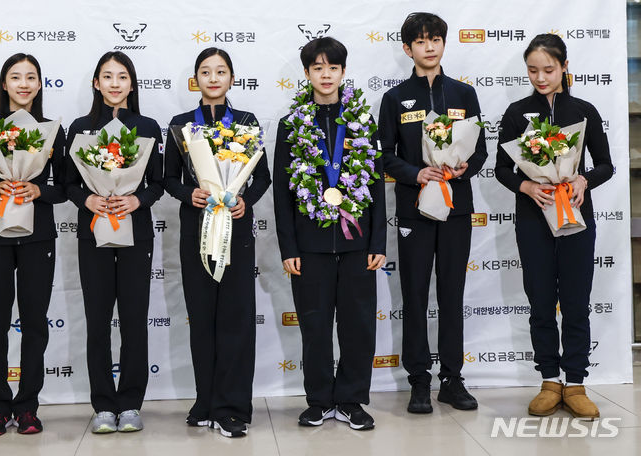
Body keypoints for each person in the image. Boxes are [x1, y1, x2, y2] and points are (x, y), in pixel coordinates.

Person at [495, 33, 613, 419]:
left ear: (564, 67)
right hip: (533, 220)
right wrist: (527, 185)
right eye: (532, 70)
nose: (540, 77)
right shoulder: (516, 112)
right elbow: (501, 169)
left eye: (548, 69)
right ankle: (549, 380)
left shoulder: (584, 110)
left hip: (577, 219)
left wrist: (583, 180)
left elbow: (605, 165)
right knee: (541, 303)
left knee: (577, 303)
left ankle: (576, 382)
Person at [273, 37, 386, 430]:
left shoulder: (361, 121)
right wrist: (289, 247)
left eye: (333, 68)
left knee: (357, 325)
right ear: (306, 74)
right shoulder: (291, 126)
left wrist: (378, 242)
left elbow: (375, 187)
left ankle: (352, 399)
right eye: (317, 68)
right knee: (315, 327)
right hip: (310, 247)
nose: (326, 74)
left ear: (342, 72)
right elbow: (283, 194)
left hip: (358, 245)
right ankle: (319, 399)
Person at [378, 12, 487, 414]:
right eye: (421, 41)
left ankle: (452, 379)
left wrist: (463, 168)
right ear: (408, 49)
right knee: (416, 294)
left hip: (457, 210)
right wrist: (415, 172)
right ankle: (419, 380)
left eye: (436, 39)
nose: (430, 46)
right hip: (415, 210)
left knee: (452, 295)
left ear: (444, 44)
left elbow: (480, 150)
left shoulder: (463, 94)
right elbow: (384, 155)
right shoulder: (394, 98)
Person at [163, 47, 270, 438]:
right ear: (196, 79)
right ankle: (205, 402)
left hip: (236, 233)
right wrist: (186, 193)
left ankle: (233, 407)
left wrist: (245, 200)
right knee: (202, 319)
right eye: (205, 72)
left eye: (220, 71)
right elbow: (168, 178)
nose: (213, 78)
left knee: (236, 320)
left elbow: (262, 178)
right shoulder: (180, 125)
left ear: (231, 78)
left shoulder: (245, 122)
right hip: (197, 230)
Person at [0, 53, 66, 436]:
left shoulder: (53, 130)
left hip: (39, 238)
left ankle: (28, 407)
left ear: (40, 85)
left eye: (31, 77)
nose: (23, 83)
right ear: (4, 84)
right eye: (15, 77)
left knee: (36, 324)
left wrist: (40, 189)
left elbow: (67, 188)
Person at [65, 51, 164, 433]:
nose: (115, 83)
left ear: (132, 84)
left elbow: (158, 181)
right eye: (107, 76)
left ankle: (131, 404)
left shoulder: (148, 126)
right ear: (96, 83)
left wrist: (137, 199)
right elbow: (69, 183)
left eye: (122, 77)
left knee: (135, 320)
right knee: (98, 320)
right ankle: (104, 405)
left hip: (135, 231)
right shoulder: (80, 128)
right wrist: (87, 199)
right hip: (94, 232)